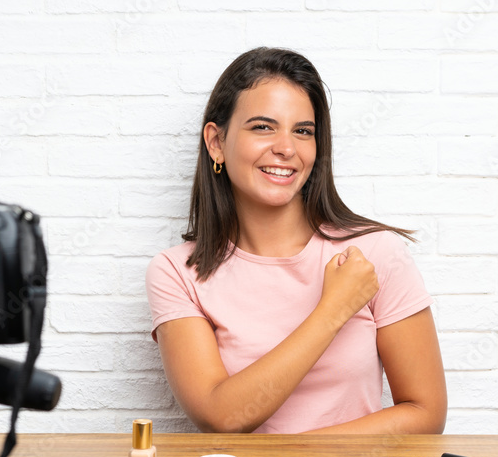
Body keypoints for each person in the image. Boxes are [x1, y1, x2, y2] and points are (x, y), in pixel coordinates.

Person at [145, 47, 447, 434]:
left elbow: (425, 412)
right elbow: (219, 416)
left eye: (303, 131)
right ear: (216, 142)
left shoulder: (374, 254)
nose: (286, 148)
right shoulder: (177, 273)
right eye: (262, 127)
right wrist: (334, 309)